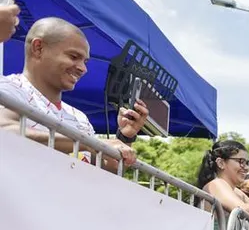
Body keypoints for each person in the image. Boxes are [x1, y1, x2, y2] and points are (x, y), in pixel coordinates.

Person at [0, 17, 147, 171]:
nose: (83, 69)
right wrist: (88, 143)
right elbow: (5, 129)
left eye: (85, 61)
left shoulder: (80, 118)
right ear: (38, 48)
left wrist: (125, 136)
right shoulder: (8, 88)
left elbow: (105, 171)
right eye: (74, 57)